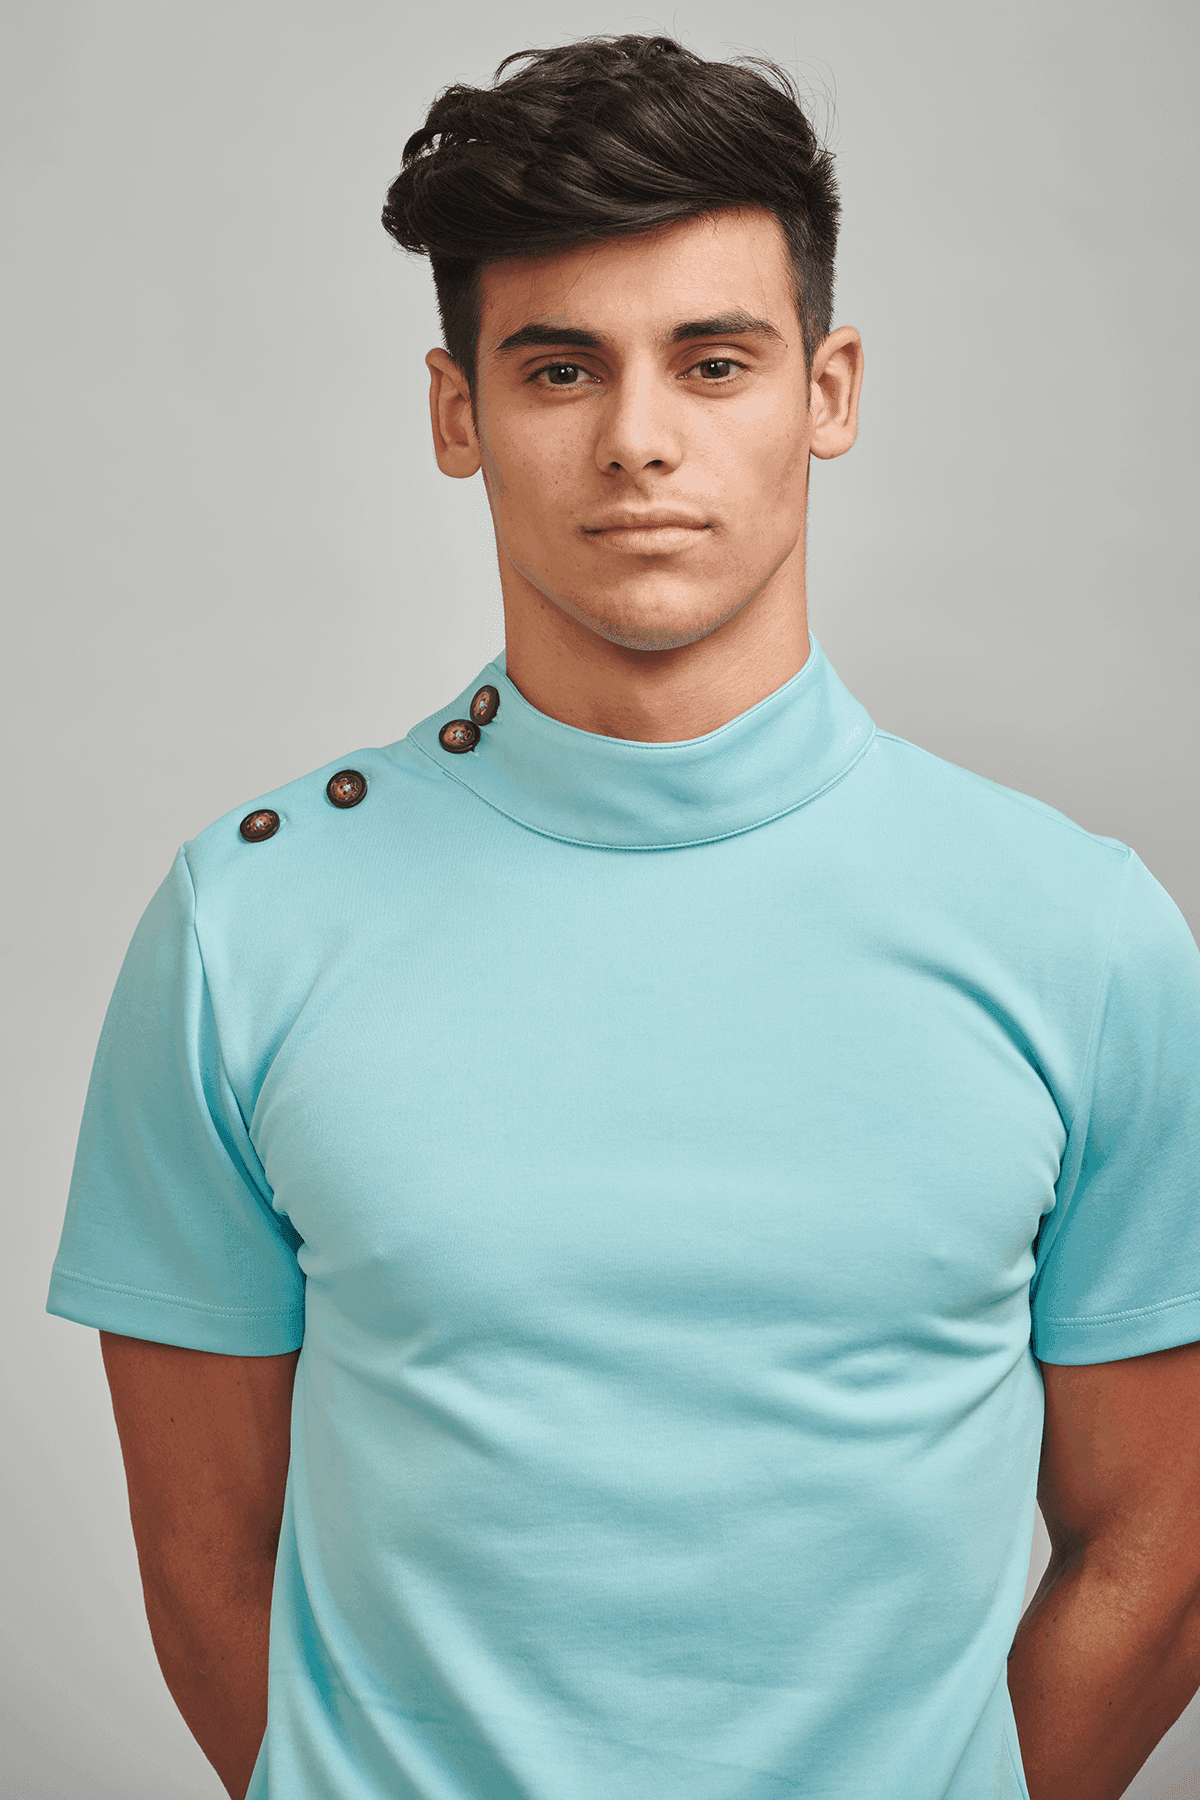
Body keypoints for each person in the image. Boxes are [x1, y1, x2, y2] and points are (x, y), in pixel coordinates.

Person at [46, 33, 1200, 1800]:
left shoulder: (1083, 936)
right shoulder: (243, 924)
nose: (639, 441)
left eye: (714, 362)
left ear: (828, 392)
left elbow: (1162, 1548)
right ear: (459, 414)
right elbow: (208, 1569)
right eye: (560, 368)